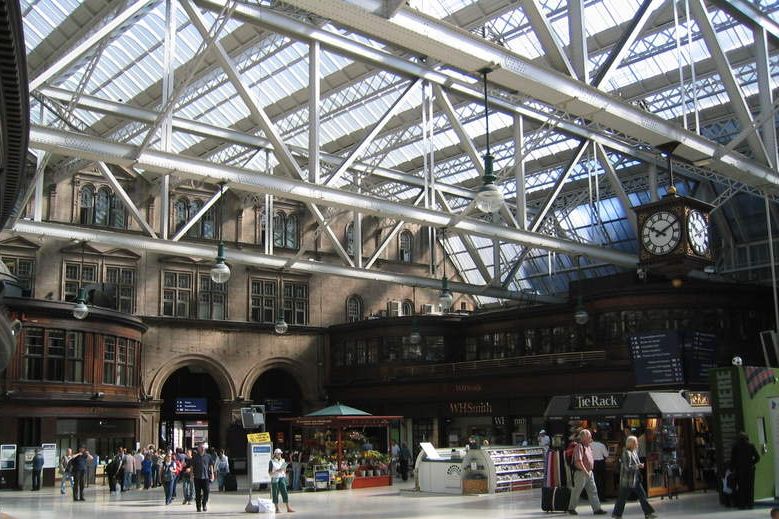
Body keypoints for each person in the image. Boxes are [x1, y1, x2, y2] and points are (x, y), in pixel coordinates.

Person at [611, 435, 657, 519]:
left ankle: (648, 513)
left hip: (635, 480)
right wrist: (638, 466)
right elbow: (627, 467)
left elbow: (636, 463)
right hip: (627, 480)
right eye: (635, 442)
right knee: (622, 498)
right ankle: (617, 514)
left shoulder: (634, 452)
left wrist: (639, 466)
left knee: (642, 496)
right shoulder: (626, 453)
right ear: (631, 443)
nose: (637, 443)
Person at [567, 429, 608, 516]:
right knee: (577, 491)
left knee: (593, 490)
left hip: (589, 472)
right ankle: (571, 508)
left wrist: (589, 471)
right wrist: (585, 471)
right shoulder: (579, 446)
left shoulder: (588, 446)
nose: (591, 437)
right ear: (583, 437)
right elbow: (578, 461)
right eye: (589, 436)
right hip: (581, 473)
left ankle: (597, 509)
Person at [730, 431, 760, 510]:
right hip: (750, 470)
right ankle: (750, 504)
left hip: (740, 470)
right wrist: (751, 463)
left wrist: (732, 469)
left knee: (741, 487)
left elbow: (732, 460)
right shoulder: (751, 446)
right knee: (750, 487)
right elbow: (757, 457)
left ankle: (742, 504)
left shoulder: (735, 447)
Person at [269, 448, 294, 513]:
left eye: (280, 453)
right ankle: (277, 508)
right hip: (275, 478)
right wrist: (277, 471)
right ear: (275, 454)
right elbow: (270, 472)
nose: (280, 455)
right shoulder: (271, 461)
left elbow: (284, 470)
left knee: (284, 492)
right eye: (278, 453)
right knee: (275, 493)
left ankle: (288, 508)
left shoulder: (283, 460)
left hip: (282, 477)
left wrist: (284, 470)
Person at [192, 443, 215, 512]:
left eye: (203, 447)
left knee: (207, 491)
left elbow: (211, 465)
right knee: (197, 493)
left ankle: (204, 503)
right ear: (198, 448)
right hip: (197, 477)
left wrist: (212, 474)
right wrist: (191, 475)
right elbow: (192, 467)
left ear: (204, 448)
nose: (202, 449)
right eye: (200, 447)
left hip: (206, 477)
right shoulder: (195, 457)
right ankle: (198, 507)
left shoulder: (208, 456)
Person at [591, 433, 609, 502]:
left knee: (594, 480)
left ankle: (595, 497)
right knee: (602, 480)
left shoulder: (590, 445)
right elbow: (606, 455)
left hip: (593, 463)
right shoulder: (602, 445)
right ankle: (602, 497)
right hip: (601, 463)